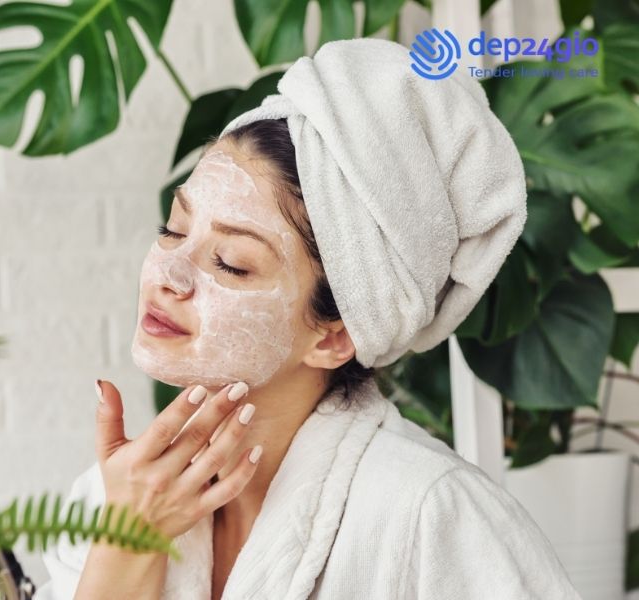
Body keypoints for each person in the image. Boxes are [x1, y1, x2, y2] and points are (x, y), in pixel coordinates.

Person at [33, 38, 582, 600]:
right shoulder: (117, 496)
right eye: (174, 229)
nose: (168, 273)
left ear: (336, 336)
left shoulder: (433, 517)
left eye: (232, 262)